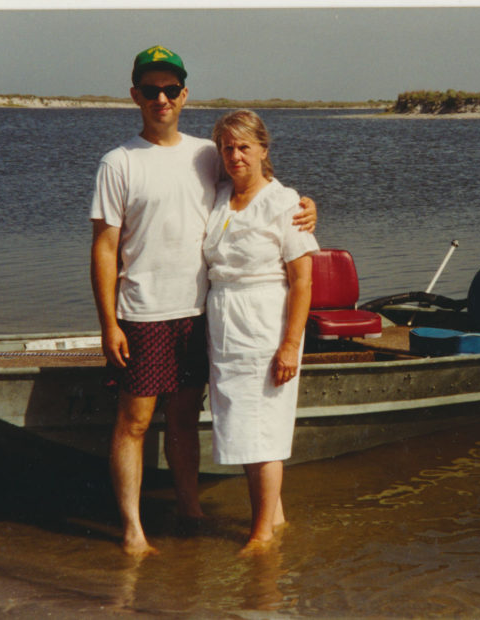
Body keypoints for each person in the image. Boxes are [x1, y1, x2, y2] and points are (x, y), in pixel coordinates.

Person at [89, 46, 316, 557]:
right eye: (151, 90)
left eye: (170, 89)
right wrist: (109, 323)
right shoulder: (118, 162)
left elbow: (256, 186)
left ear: (184, 95)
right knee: (136, 422)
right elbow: (104, 248)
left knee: (186, 420)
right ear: (136, 97)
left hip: (197, 315)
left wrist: (305, 205)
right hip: (142, 312)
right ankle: (133, 533)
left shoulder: (205, 154)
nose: (161, 98)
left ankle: (190, 513)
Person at [204, 110, 318, 555]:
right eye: (228, 148)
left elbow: (303, 281)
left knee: (262, 430)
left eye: (244, 147)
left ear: (264, 150)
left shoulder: (284, 202)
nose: (235, 156)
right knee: (242, 424)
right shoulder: (218, 197)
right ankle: (278, 517)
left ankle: (261, 536)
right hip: (224, 323)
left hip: (266, 325)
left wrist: (290, 344)